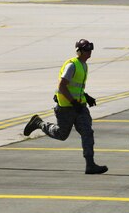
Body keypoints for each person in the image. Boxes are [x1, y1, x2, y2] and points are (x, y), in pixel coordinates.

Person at [23, 39, 108, 174]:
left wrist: (86, 97)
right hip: (66, 108)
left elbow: (76, 87)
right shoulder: (72, 65)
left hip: (79, 107)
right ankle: (39, 123)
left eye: (90, 49)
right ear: (79, 51)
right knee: (62, 135)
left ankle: (90, 164)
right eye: (86, 49)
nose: (89, 52)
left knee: (87, 132)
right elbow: (62, 85)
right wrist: (73, 102)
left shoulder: (84, 65)